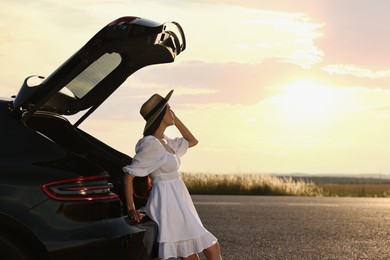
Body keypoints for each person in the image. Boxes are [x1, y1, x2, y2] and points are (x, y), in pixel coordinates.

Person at [123, 90, 222, 260]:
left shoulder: (168, 142)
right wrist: (131, 208)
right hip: (168, 203)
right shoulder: (150, 144)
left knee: (200, 253)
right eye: (169, 109)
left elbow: (193, 141)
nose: (172, 113)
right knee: (207, 250)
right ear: (161, 115)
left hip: (180, 200)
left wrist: (176, 121)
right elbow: (128, 175)